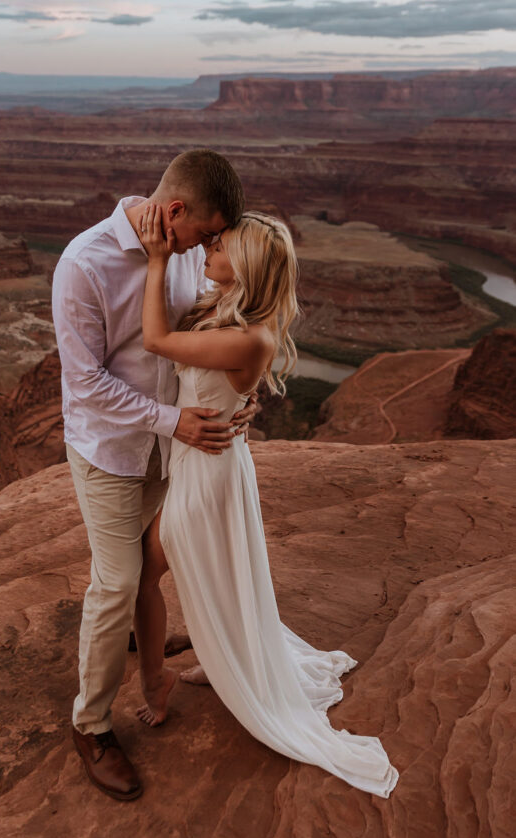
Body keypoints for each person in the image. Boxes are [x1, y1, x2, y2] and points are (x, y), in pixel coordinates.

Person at [132, 203, 400, 799]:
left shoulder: (246, 335)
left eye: (219, 247)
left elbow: (155, 339)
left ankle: (159, 684)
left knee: (146, 573)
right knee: (225, 575)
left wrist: (156, 260)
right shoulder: (228, 312)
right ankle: (227, 663)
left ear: (246, 265)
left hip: (205, 475)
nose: (208, 249)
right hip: (211, 462)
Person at [52, 149, 258, 802]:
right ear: (174, 213)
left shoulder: (187, 253)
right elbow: (84, 384)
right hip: (113, 455)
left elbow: (204, 331)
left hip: (171, 454)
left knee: (161, 566)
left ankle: (153, 669)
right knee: (115, 583)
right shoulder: (83, 265)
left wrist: (236, 388)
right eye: (205, 232)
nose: (212, 246)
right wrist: (175, 421)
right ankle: (89, 725)